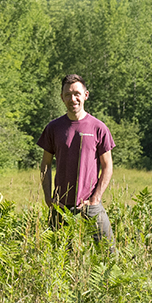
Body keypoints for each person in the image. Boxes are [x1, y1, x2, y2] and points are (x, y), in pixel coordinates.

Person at [37, 73, 115, 245]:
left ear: (85, 95)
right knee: (60, 260)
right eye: (68, 95)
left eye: (76, 94)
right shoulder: (53, 128)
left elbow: (107, 166)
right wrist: (48, 197)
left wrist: (96, 198)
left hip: (91, 206)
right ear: (62, 98)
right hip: (61, 207)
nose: (73, 99)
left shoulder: (98, 128)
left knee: (108, 253)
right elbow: (45, 165)